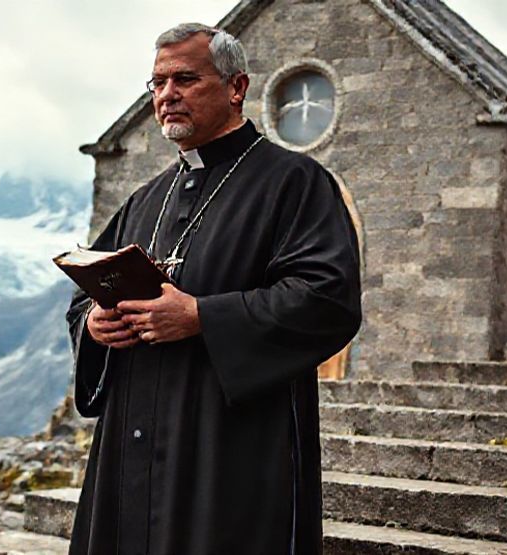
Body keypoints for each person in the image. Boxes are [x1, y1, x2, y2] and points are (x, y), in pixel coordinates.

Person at [66, 23, 361, 555]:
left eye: (185, 79)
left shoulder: (293, 183)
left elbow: (328, 299)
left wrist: (203, 315)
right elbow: (86, 296)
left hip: (230, 448)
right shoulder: (144, 199)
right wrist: (94, 323)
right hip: (131, 439)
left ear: (236, 88)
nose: (166, 95)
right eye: (156, 83)